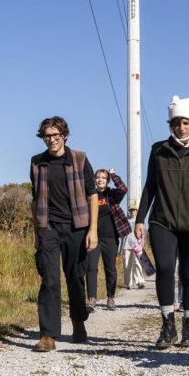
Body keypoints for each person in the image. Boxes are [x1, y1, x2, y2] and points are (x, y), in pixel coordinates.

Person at [134, 96, 189, 349]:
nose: (181, 127)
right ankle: (167, 326)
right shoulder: (158, 151)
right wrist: (140, 219)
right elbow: (150, 187)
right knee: (164, 269)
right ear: (170, 125)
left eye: (185, 123)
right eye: (176, 123)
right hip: (162, 222)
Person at [30, 117, 98, 352]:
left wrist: (93, 230)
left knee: (75, 278)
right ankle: (48, 335)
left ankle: (78, 322)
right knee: (49, 279)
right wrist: (36, 232)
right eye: (47, 136)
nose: (52, 140)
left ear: (64, 136)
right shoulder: (37, 163)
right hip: (48, 227)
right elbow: (35, 198)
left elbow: (92, 195)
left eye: (56, 135)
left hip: (76, 227)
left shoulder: (78, 158)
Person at [86, 168, 130, 310]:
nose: (100, 180)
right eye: (98, 177)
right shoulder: (90, 195)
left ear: (107, 180)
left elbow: (123, 189)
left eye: (104, 178)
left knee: (110, 269)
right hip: (94, 237)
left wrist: (113, 175)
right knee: (91, 267)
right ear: (94, 179)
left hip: (110, 237)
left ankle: (110, 298)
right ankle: (91, 299)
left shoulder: (111, 195)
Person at [122, 207, 149, 290]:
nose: (132, 211)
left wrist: (143, 243)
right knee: (127, 264)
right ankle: (128, 283)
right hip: (126, 244)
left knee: (138, 263)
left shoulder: (139, 220)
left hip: (137, 244)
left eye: (134, 210)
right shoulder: (125, 220)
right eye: (130, 210)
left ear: (137, 211)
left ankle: (140, 282)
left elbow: (142, 233)